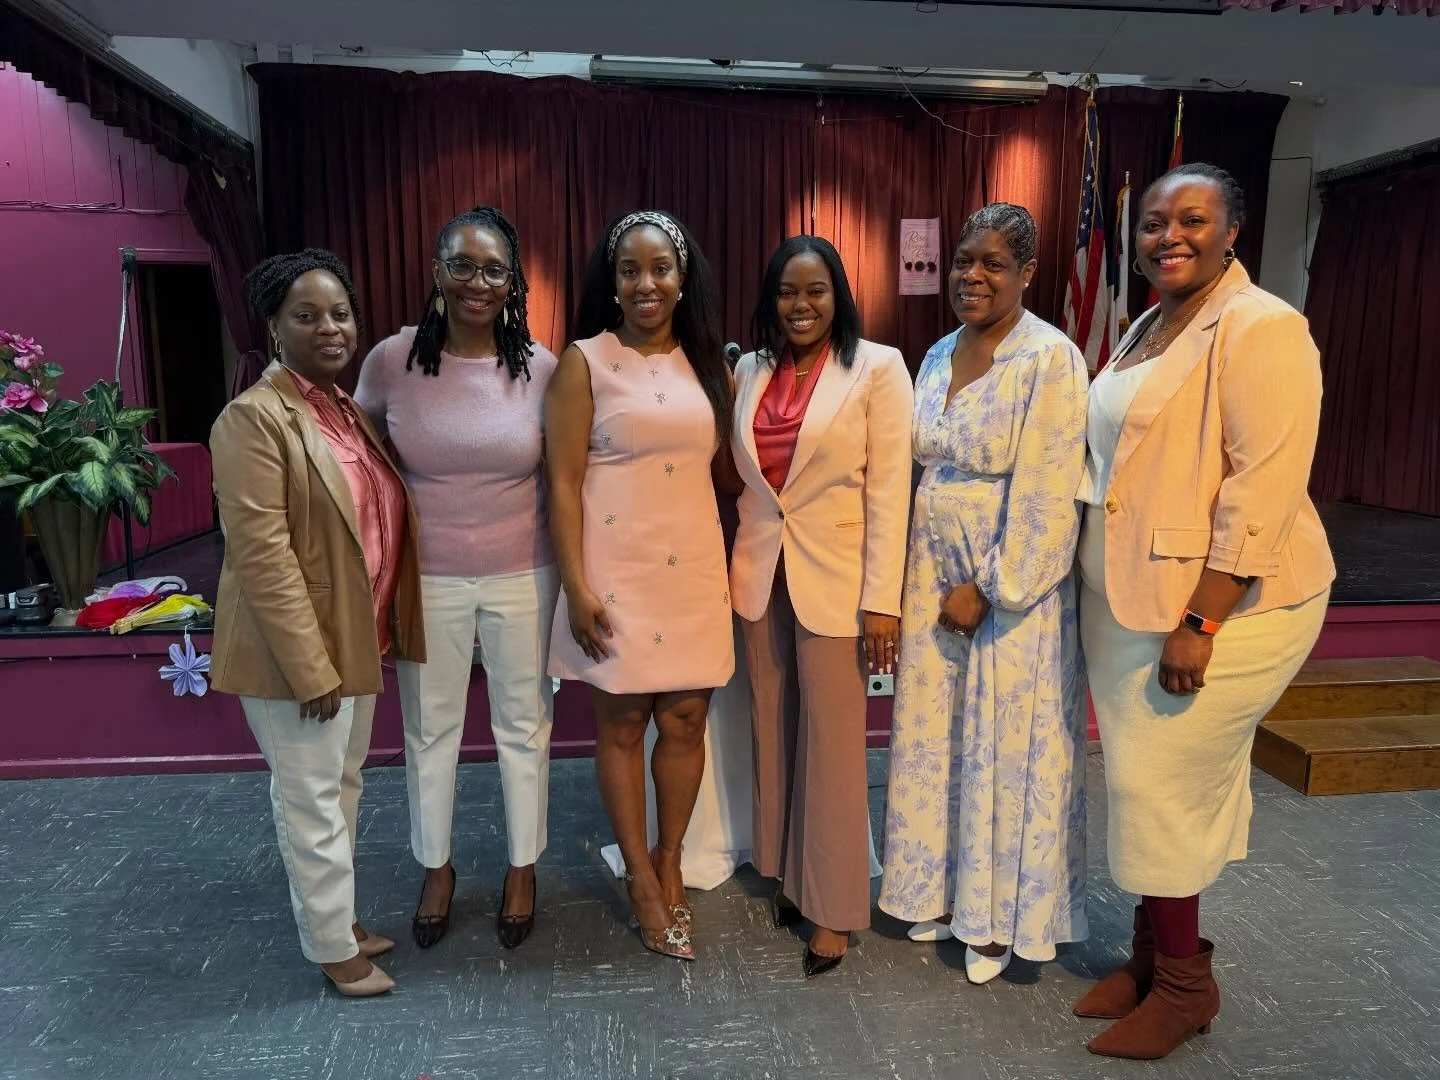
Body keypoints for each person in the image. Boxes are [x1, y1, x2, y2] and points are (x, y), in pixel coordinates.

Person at [1074, 163, 1335, 1060]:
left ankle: (1187, 988)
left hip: (1224, 603)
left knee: (1161, 787)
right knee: (1149, 786)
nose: (1168, 237)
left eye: (1192, 220)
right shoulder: (1152, 321)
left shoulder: (1263, 326)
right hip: (1129, 597)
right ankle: (1152, 960)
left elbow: (1264, 485)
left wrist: (1204, 618)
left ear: (1234, 231)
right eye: (1153, 223)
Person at [879, 204, 1090, 985]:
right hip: (930, 575)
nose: (972, 274)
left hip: (1009, 592)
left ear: (1027, 273)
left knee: (1002, 745)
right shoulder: (936, 353)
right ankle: (937, 892)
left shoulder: (1049, 358)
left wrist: (993, 587)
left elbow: (1047, 493)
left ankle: (999, 918)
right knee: (938, 743)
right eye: (964, 260)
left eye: (993, 263)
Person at [209, 249, 425, 997]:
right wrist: (311, 668)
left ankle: (340, 916)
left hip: (353, 634)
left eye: (339, 313)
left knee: (343, 787)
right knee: (311, 800)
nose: (330, 328)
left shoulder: (336, 408)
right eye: (307, 315)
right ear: (274, 326)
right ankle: (332, 946)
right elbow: (262, 558)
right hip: (294, 655)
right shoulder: (252, 420)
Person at [354, 206, 559, 951]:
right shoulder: (392, 359)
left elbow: (564, 475)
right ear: (437, 270)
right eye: (463, 265)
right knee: (428, 730)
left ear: (514, 282)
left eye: (494, 268)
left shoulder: (542, 367)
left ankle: (521, 866)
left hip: (524, 575)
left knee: (523, 729)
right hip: (428, 579)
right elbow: (362, 447)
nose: (479, 281)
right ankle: (434, 866)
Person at [545, 210, 735, 961]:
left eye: (660, 268)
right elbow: (561, 485)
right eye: (630, 269)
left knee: (686, 719)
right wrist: (576, 584)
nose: (645, 282)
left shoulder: (709, 365)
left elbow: (727, 474)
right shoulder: (584, 362)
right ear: (613, 281)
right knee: (622, 725)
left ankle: (670, 859)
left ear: (683, 280)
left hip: (692, 567)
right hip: (615, 573)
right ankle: (640, 882)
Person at [729, 235, 913, 978]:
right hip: (760, 573)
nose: (800, 305)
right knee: (771, 730)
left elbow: (890, 489)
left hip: (841, 582)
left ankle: (834, 906)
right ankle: (784, 872)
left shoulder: (878, 368)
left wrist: (883, 604)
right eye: (786, 292)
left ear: (838, 295)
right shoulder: (749, 368)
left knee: (835, 748)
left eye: (815, 291)